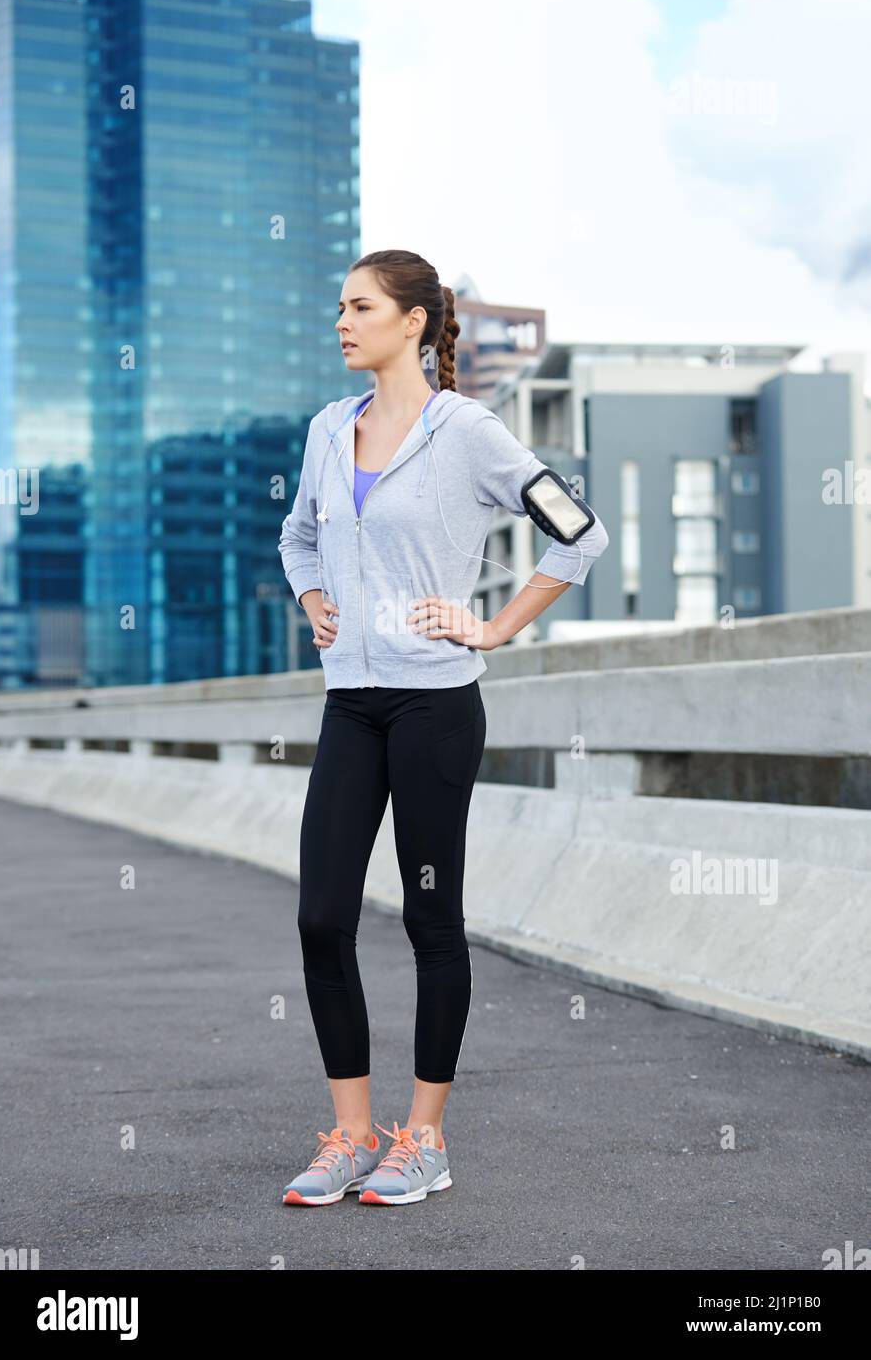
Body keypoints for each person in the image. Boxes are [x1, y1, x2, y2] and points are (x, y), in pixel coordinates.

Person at [278, 249, 609, 1205]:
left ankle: (423, 1139)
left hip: (434, 707)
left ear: (414, 322)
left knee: (431, 920)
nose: (342, 322)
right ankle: (351, 1134)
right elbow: (299, 532)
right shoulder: (327, 431)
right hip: (352, 703)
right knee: (322, 916)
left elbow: (573, 527)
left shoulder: (465, 431)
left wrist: (498, 625)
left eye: (361, 306)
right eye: (337, 306)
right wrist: (312, 596)